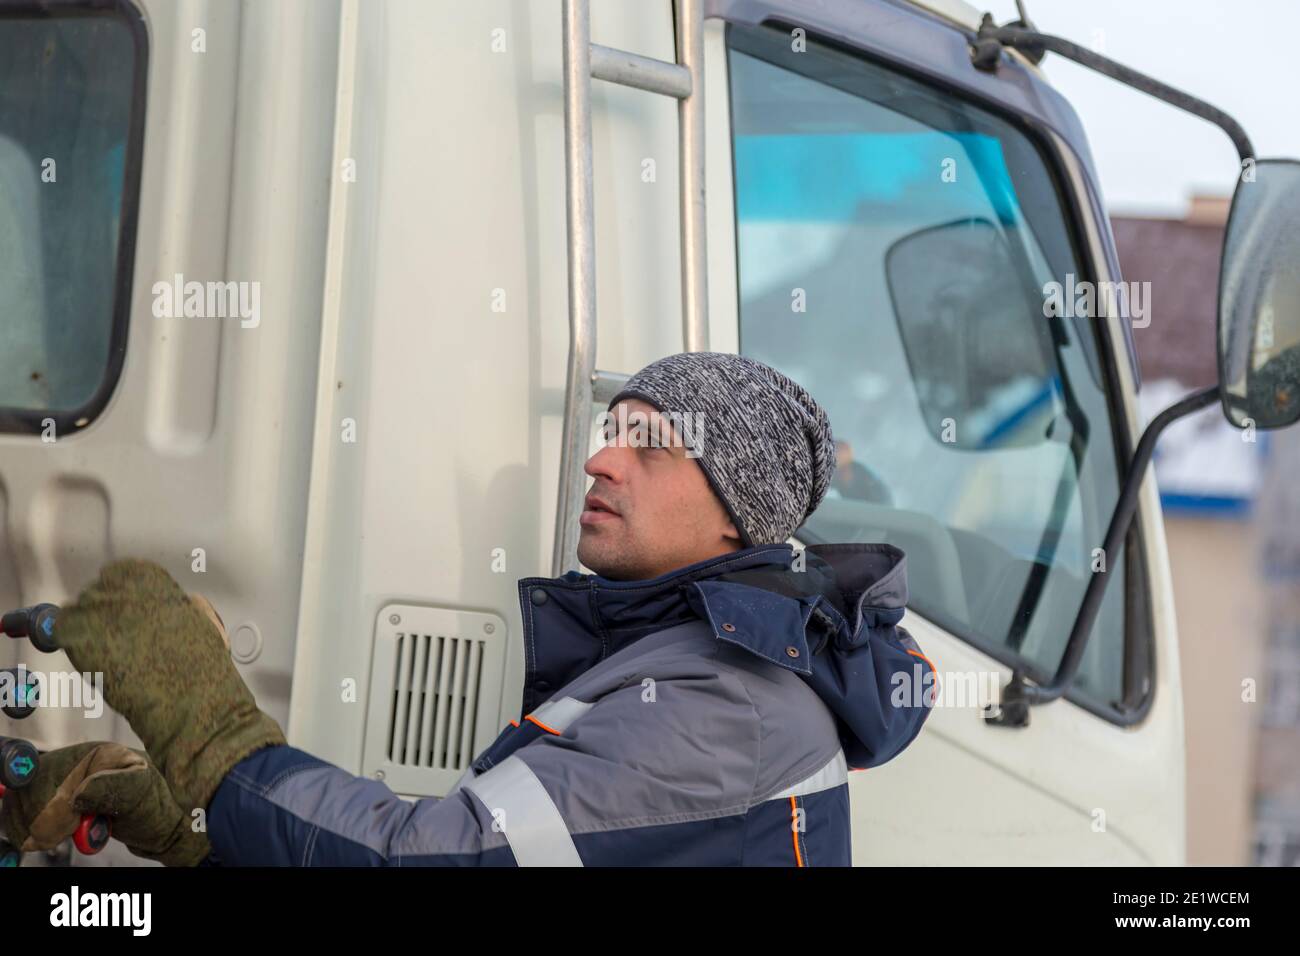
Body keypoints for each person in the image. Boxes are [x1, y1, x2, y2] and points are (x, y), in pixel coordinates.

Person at [2, 352, 935, 866]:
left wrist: (211, 738)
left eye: (648, 445)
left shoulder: (728, 704)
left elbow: (428, 863)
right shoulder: (685, 660)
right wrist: (197, 830)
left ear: (738, 511)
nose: (601, 460)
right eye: (611, 434)